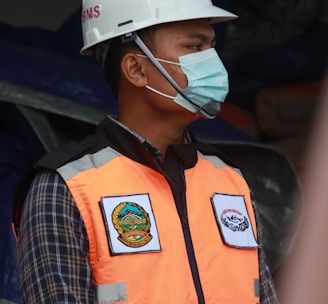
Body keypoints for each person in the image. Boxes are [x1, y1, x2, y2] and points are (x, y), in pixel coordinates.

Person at [13, 0, 279, 303]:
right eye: (195, 47)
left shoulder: (229, 180)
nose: (213, 62)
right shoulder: (67, 187)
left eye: (212, 46)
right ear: (136, 69)